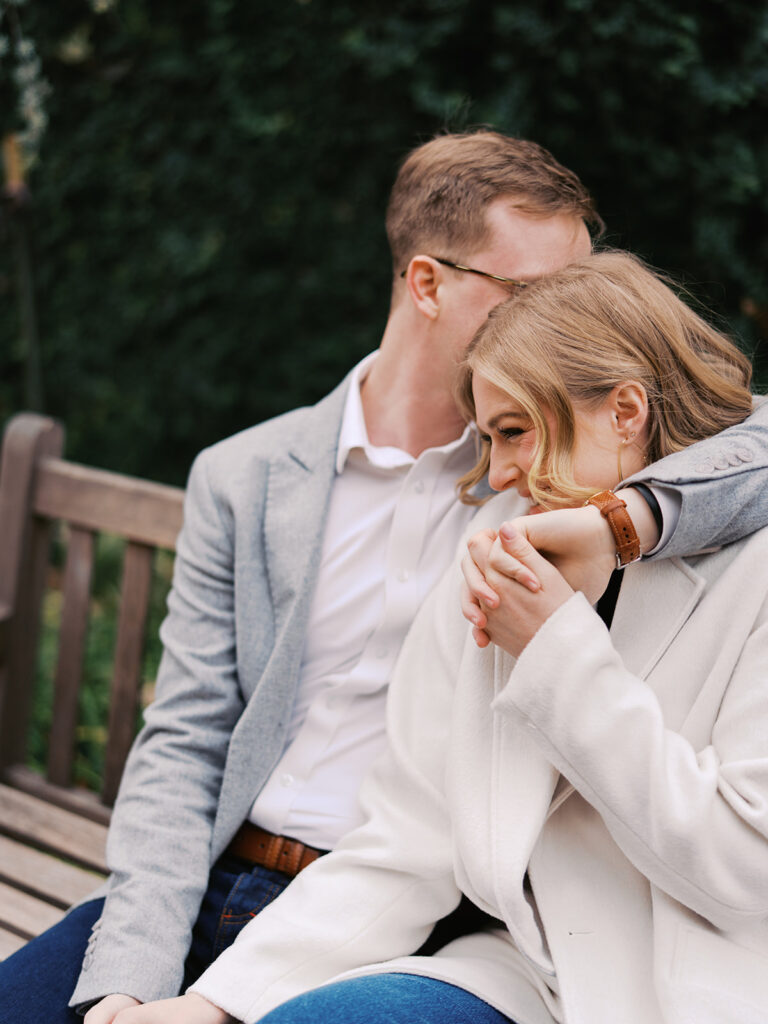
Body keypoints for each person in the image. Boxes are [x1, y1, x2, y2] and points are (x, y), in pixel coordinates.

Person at [1, 133, 766, 1024]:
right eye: (533, 292)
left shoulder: (534, 504)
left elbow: (724, 431)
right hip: (235, 886)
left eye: (577, 286)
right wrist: (138, 979)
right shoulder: (256, 476)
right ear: (428, 283)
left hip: (436, 928)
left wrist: (622, 521)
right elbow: (185, 743)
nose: (568, 311)